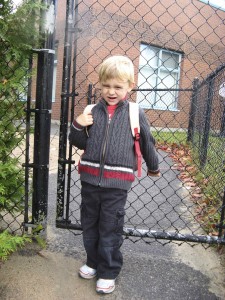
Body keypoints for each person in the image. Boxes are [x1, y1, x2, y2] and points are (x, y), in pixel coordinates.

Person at [69, 55, 160, 294]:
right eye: (106, 85)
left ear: (130, 86)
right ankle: (92, 261)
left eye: (118, 87)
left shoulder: (134, 112)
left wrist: (154, 166)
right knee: (90, 224)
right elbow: (78, 142)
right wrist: (78, 124)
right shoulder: (91, 111)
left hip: (117, 185)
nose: (111, 91)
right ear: (99, 83)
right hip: (89, 181)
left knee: (110, 226)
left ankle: (108, 270)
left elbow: (147, 142)